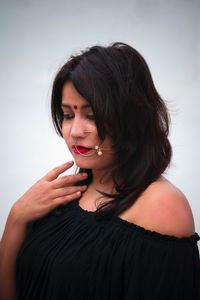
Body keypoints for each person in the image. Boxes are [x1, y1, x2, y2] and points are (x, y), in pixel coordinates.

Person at [0, 42, 199, 300]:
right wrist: (17, 218)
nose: (74, 131)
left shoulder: (163, 205)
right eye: (67, 114)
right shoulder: (64, 191)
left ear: (130, 116)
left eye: (91, 116)